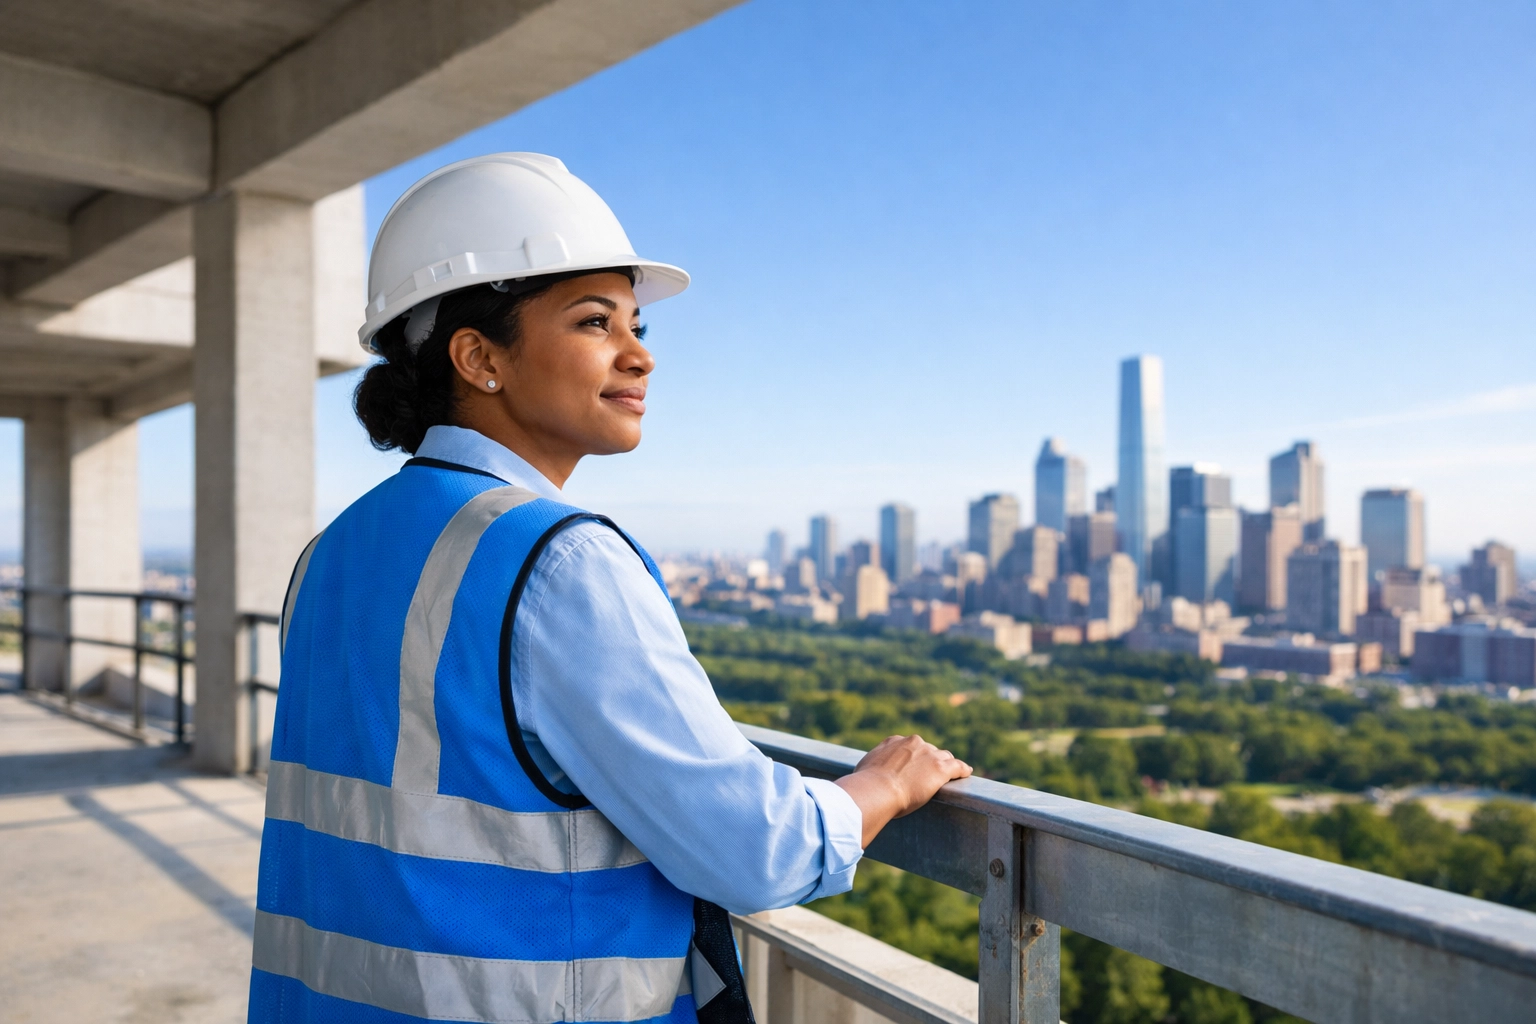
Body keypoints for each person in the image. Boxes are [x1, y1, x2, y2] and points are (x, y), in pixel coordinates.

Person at [249, 153, 971, 1024]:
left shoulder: (327, 556)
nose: (640, 357)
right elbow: (752, 849)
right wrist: (884, 787)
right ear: (479, 357)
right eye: (596, 322)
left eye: (639, 326)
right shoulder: (552, 561)